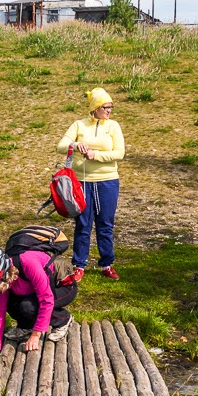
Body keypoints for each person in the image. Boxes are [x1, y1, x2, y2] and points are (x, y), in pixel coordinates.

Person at [0, 247, 77, 383]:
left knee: (29, 307)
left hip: (62, 288)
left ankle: (63, 319)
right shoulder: (1, 280)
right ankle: (26, 326)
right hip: (32, 293)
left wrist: (36, 336)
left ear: (5, 275)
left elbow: (47, 300)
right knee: (12, 304)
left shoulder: (28, 263)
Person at [56, 88, 125, 282]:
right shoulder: (79, 125)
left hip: (108, 181)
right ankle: (79, 265)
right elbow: (60, 146)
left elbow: (119, 153)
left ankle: (106, 264)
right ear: (95, 108)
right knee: (83, 224)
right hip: (82, 182)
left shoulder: (113, 126)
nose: (109, 110)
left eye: (111, 107)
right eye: (105, 107)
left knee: (105, 224)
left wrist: (96, 155)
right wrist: (76, 145)